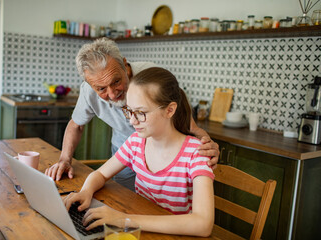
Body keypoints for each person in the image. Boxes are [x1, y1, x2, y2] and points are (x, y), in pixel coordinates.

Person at [45, 37, 219, 191]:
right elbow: (76, 125)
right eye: (101, 89)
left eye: (117, 81)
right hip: (124, 148)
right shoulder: (88, 92)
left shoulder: (150, 78)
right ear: (90, 85)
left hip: (163, 151)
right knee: (127, 198)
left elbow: (190, 126)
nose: (113, 94)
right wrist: (64, 160)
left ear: (125, 64)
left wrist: (207, 146)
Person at [63, 67, 214, 237]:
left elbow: (203, 224)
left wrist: (125, 220)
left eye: (141, 113)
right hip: (142, 230)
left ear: (170, 110)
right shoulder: (136, 142)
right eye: (130, 111)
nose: (133, 121)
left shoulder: (196, 153)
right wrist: (85, 191)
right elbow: (101, 174)